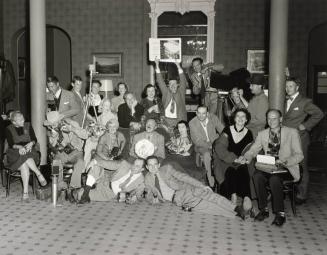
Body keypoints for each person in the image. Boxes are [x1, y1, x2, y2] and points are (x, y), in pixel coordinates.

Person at [239, 109, 304, 226]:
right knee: (257, 176)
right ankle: (264, 210)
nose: (271, 121)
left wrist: (285, 161)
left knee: (274, 179)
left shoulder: (292, 132)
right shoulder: (262, 134)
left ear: (280, 119)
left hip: (287, 167)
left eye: (274, 118)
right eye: (269, 118)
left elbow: (299, 155)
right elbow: (253, 150)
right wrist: (246, 157)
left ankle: (280, 213)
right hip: (269, 167)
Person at [144, 156, 248, 219]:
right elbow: (148, 193)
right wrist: (153, 199)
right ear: (147, 167)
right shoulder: (147, 178)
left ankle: (236, 208)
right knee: (208, 207)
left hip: (185, 188)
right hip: (179, 198)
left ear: (159, 165)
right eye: (150, 165)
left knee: (211, 195)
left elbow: (184, 177)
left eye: (155, 164)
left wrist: (202, 186)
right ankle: (234, 214)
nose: (153, 167)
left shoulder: (166, 169)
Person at [283, 77, 324, 204]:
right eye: (286, 86)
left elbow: (319, 114)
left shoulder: (304, 102)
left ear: (297, 87)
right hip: (286, 138)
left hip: (300, 138)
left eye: (291, 86)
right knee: (288, 163)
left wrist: (305, 126)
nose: (288, 89)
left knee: (302, 165)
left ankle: (302, 194)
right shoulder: (283, 100)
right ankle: (290, 189)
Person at [213, 109, 253, 208]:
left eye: (243, 116)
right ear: (234, 119)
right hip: (225, 160)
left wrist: (245, 158)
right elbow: (219, 146)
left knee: (243, 170)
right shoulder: (227, 130)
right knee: (230, 170)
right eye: (238, 116)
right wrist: (234, 159)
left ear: (246, 119)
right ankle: (233, 195)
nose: (240, 118)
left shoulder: (249, 134)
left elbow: (251, 150)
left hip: (240, 161)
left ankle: (247, 198)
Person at [5, 111, 47, 201]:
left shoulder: (28, 125)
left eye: (23, 118)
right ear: (14, 122)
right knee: (24, 159)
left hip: (30, 151)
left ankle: (25, 193)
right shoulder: (8, 129)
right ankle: (38, 173)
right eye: (20, 120)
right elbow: (11, 143)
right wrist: (20, 147)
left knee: (24, 161)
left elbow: (34, 139)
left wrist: (31, 144)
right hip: (15, 152)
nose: (23, 121)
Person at [44, 111, 87, 189]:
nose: (53, 126)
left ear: (60, 120)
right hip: (62, 153)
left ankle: (74, 187)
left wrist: (72, 129)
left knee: (80, 163)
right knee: (55, 164)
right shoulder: (52, 130)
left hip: (76, 152)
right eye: (51, 125)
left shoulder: (72, 124)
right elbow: (53, 146)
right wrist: (54, 137)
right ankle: (59, 184)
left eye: (55, 123)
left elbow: (85, 135)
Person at [77, 158, 145, 204]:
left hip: (109, 194)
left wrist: (134, 198)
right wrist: (94, 161)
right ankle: (87, 190)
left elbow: (139, 195)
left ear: (142, 169)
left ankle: (84, 190)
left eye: (137, 166)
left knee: (79, 194)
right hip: (105, 180)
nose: (133, 167)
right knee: (96, 165)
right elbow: (110, 164)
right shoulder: (125, 164)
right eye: (134, 164)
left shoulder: (141, 181)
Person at [189, 105, 224, 187]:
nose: (201, 116)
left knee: (223, 153)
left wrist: (222, 141)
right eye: (199, 113)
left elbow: (223, 130)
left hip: (215, 143)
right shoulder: (192, 123)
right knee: (207, 155)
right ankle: (210, 180)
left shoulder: (213, 118)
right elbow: (198, 141)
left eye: (203, 113)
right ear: (196, 113)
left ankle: (222, 179)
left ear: (207, 113)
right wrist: (212, 146)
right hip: (201, 146)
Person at [154, 59, 187, 128]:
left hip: (179, 121)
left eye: (174, 83)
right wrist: (157, 64)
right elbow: (160, 81)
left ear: (178, 84)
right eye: (170, 84)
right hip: (165, 121)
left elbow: (183, 80)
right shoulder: (166, 92)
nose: (173, 85)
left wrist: (178, 65)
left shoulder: (181, 92)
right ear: (168, 86)